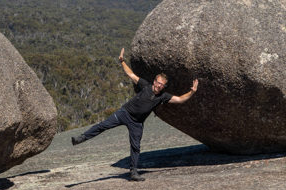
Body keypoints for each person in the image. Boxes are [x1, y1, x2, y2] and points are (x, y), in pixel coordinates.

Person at [71, 48, 199, 181]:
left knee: (135, 147)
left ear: (164, 86)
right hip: (124, 113)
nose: (159, 86)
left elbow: (179, 99)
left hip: (137, 123)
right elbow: (131, 75)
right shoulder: (145, 85)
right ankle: (81, 138)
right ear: (155, 81)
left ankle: (133, 173)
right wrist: (122, 61)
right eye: (158, 82)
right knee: (103, 125)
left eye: (162, 85)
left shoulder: (162, 96)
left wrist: (192, 91)